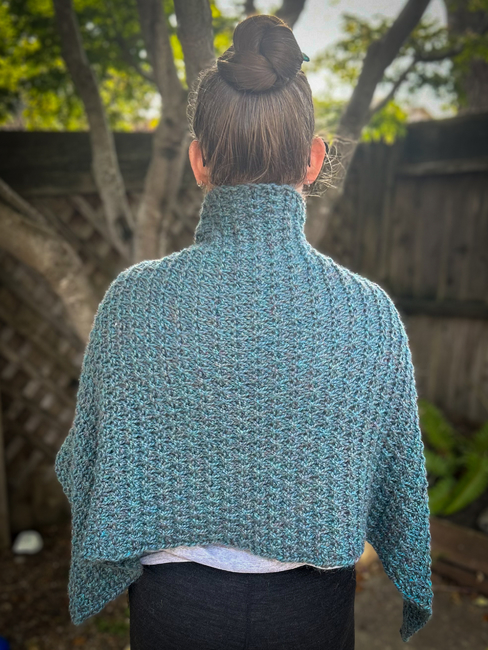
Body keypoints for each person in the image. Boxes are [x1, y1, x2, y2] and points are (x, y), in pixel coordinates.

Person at [55, 13, 434, 650]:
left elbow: (87, 462)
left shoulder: (134, 301)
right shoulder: (367, 314)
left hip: (174, 613)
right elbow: (397, 481)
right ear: (314, 160)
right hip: (311, 615)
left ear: (198, 160)